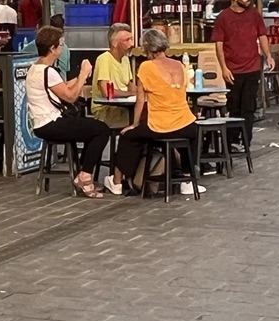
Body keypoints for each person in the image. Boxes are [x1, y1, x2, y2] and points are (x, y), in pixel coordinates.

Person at [113, 28, 202, 196]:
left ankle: (117, 182)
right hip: (186, 123)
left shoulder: (146, 67)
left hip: (160, 125)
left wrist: (134, 124)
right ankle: (188, 179)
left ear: (147, 48)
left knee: (127, 137)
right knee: (189, 136)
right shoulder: (180, 65)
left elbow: (140, 100)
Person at [26, 26, 110, 198]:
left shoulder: (36, 68)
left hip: (42, 123)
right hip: (51, 123)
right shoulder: (48, 71)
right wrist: (83, 75)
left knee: (92, 128)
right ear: (52, 48)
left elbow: (61, 87)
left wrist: (80, 77)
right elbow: (70, 97)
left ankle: (84, 173)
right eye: (61, 44)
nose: (62, 48)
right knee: (101, 130)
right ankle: (85, 175)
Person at [211, 0, 271, 122]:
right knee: (234, 107)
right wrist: (223, 68)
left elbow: (262, 35)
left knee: (249, 106)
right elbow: (219, 44)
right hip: (233, 70)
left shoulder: (254, 14)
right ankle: (234, 135)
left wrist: (268, 56)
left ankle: (246, 135)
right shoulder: (223, 17)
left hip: (252, 67)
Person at [92, 23, 138, 123]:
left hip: (124, 108)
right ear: (114, 43)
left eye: (131, 39)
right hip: (106, 110)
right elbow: (107, 92)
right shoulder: (104, 59)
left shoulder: (125, 59)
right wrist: (131, 94)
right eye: (127, 40)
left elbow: (129, 84)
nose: (132, 44)